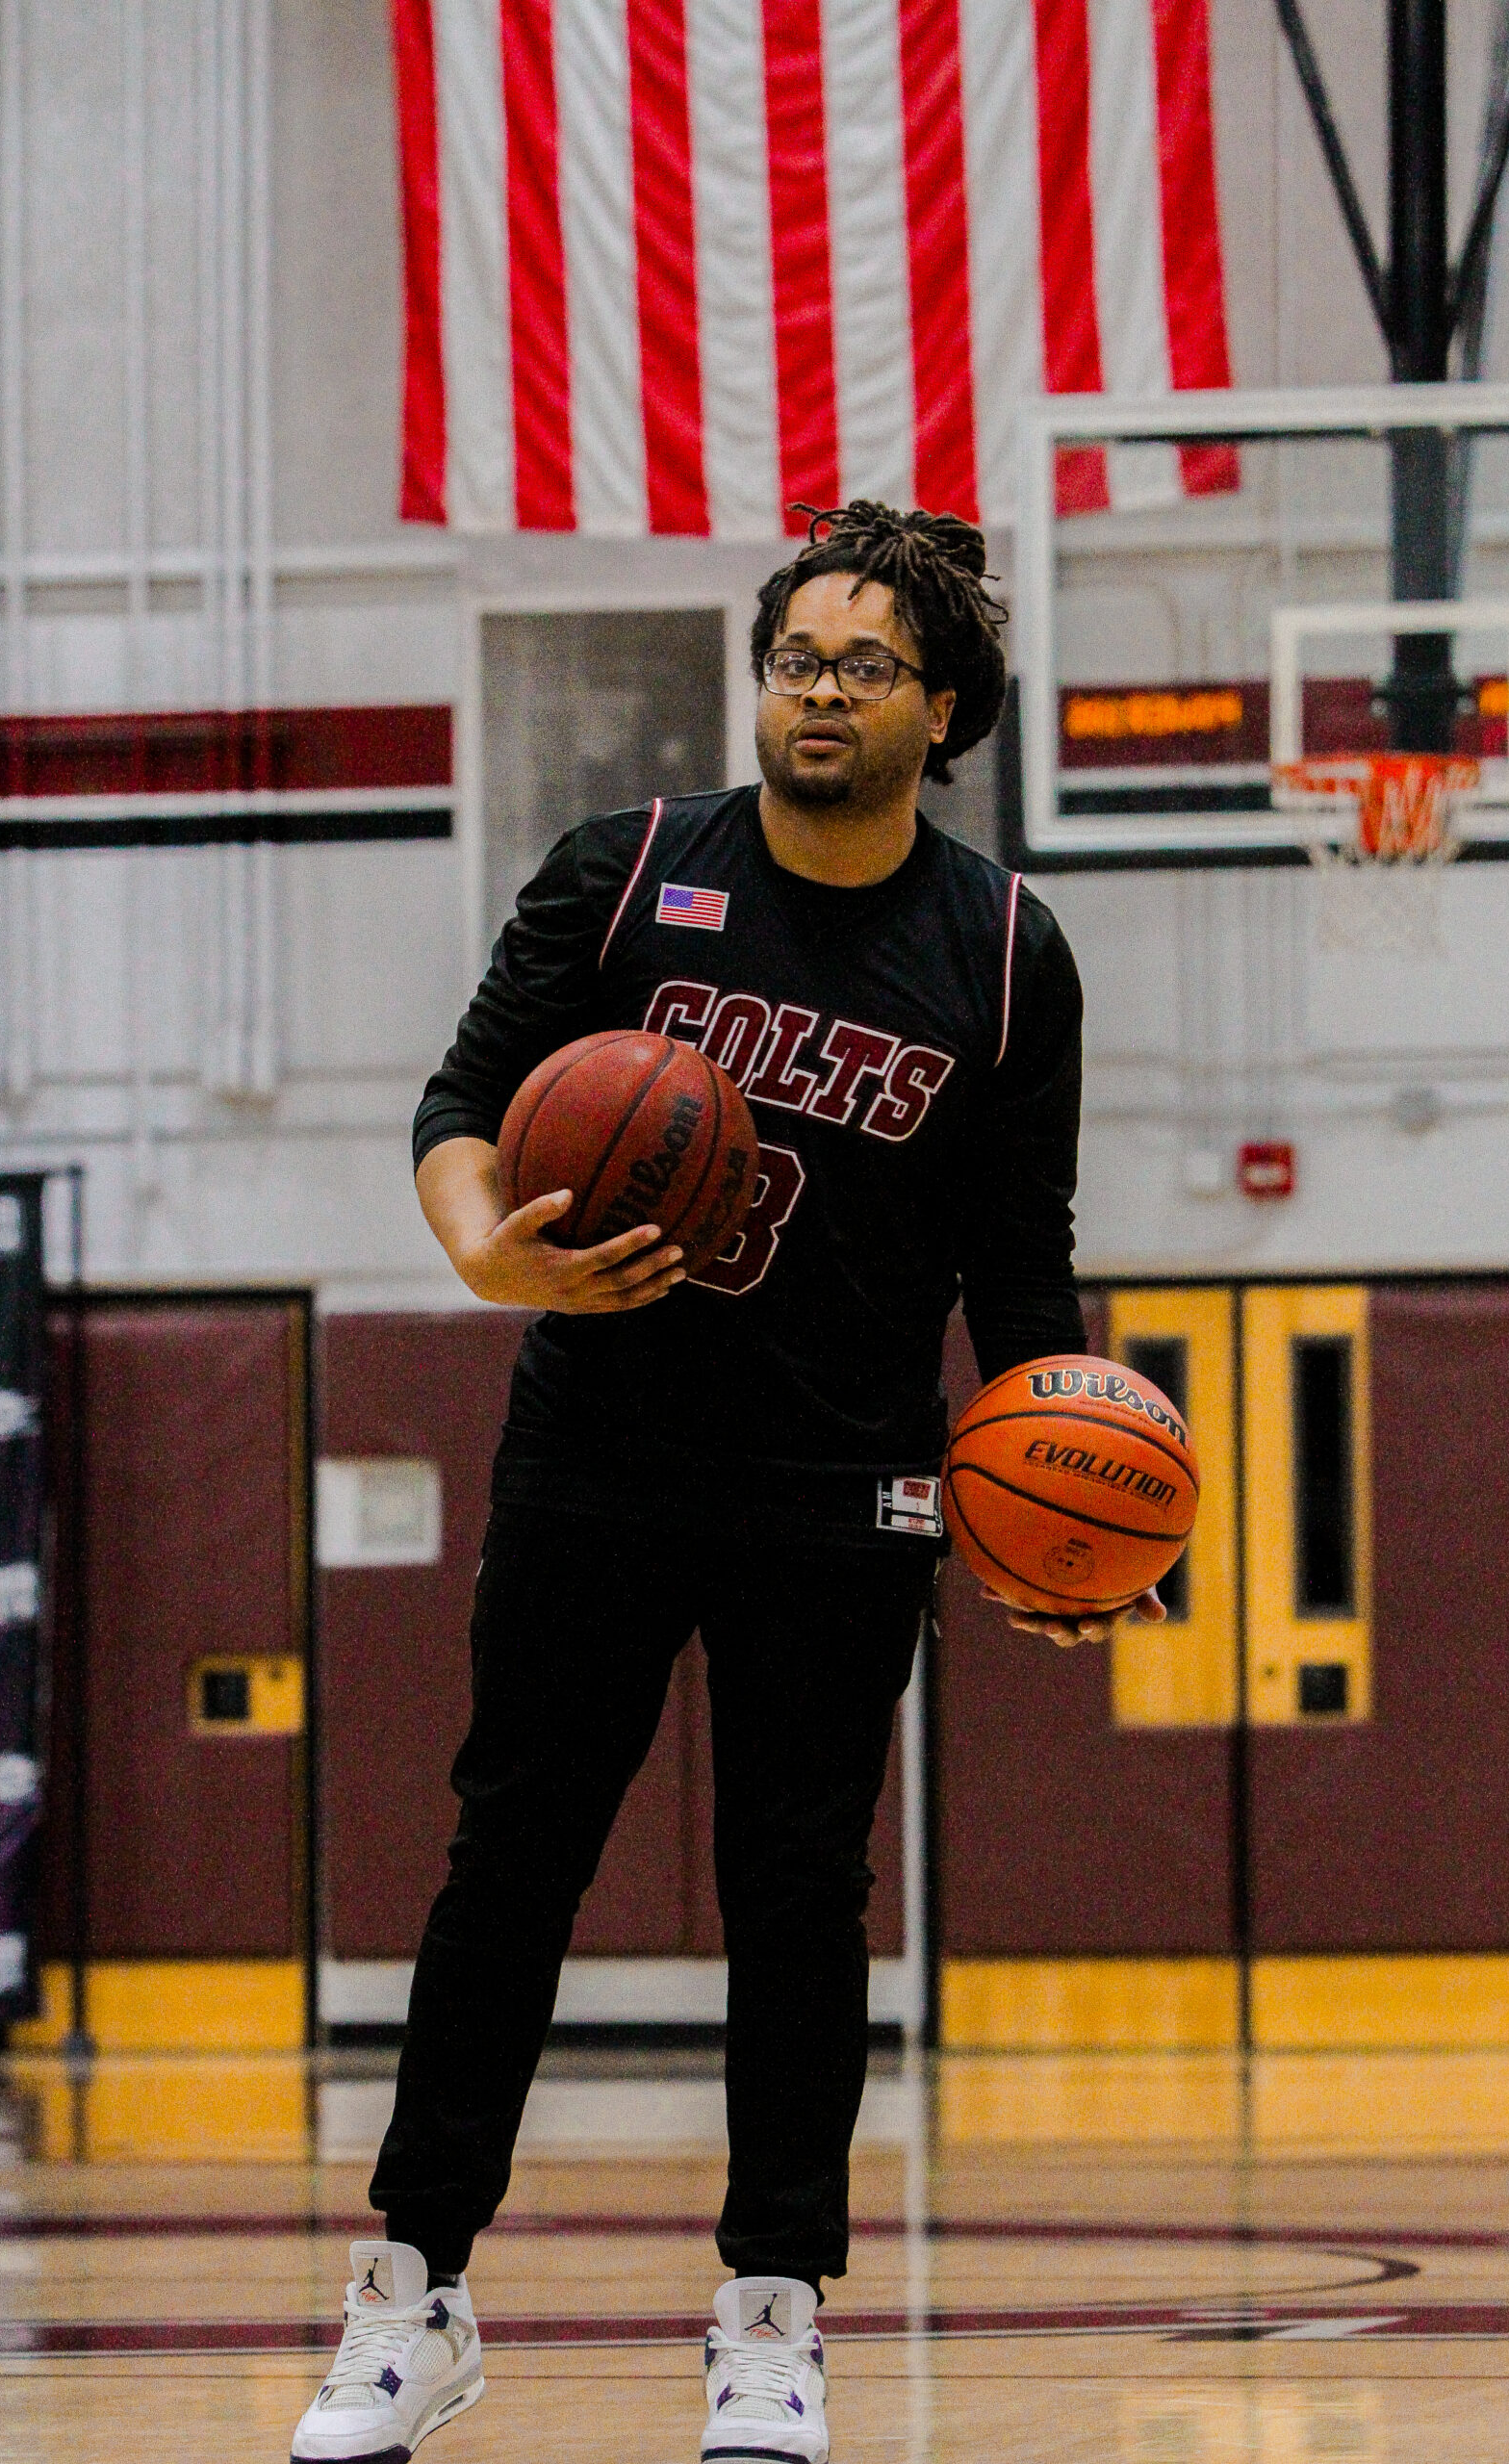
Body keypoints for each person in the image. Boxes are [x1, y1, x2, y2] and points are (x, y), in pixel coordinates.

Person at [291, 501, 1162, 2464]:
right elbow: (458, 1106)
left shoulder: (1007, 956)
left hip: (839, 1483)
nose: (820, 690)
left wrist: (1047, 1491)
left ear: (941, 707)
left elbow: (1019, 1265)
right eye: (795, 657)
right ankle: (407, 2290)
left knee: (796, 1894)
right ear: (758, 681)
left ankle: (770, 2308)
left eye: (864, 664)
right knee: (505, 1861)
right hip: (593, 1451)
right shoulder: (624, 877)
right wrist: (478, 1245)